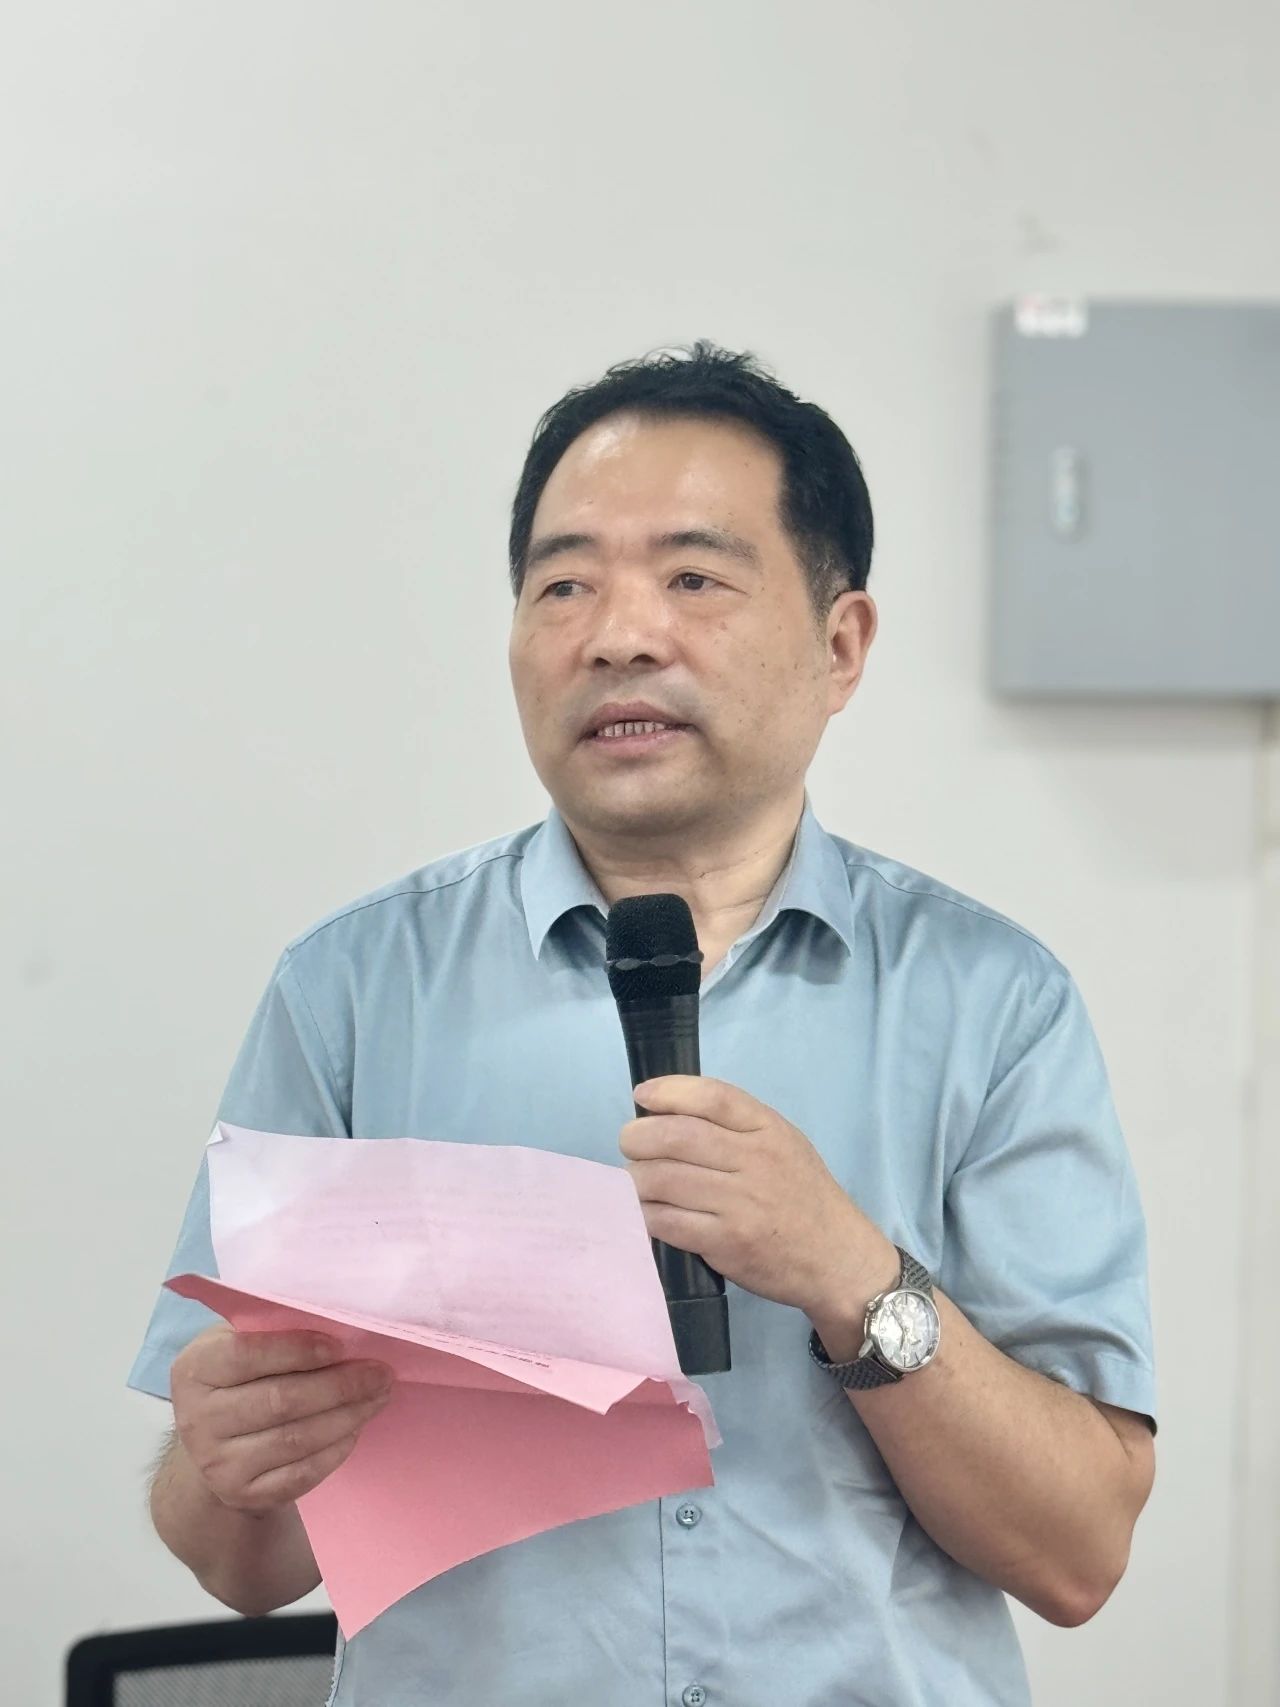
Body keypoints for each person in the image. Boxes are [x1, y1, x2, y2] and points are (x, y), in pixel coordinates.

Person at [130, 340, 1156, 1707]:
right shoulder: (354, 992)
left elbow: (1079, 1555)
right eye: (563, 584)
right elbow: (237, 1563)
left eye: (692, 578)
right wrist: (225, 1460)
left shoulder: (992, 1002)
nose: (618, 635)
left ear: (840, 644)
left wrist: (852, 1272)